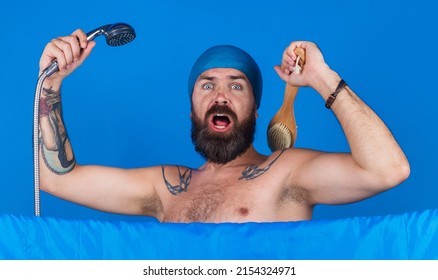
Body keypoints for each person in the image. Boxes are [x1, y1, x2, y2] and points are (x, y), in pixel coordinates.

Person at [38, 28, 410, 223]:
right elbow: (56, 179)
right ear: (191, 110)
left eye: (236, 85)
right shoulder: (166, 188)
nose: (220, 96)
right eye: (207, 85)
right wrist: (50, 82)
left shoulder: (287, 175)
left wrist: (322, 77)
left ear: (256, 110)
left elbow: (387, 170)